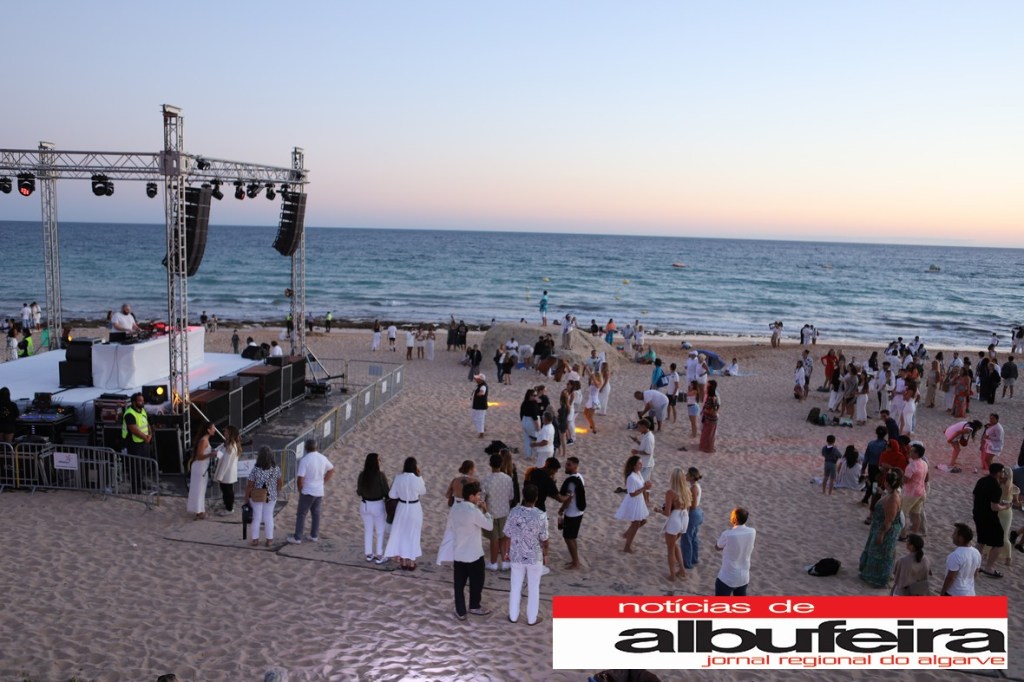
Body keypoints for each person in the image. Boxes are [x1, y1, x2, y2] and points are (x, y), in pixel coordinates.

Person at [439, 481, 494, 621]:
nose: (479, 497)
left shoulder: (455, 509)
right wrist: (486, 511)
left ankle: (460, 611)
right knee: (477, 582)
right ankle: (474, 606)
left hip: (459, 553)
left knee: (459, 584)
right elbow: (489, 526)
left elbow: (450, 527)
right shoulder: (474, 511)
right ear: (471, 497)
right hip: (474, 554)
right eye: (477, 495)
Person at [503, 483, 549, 626]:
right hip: (534, 556)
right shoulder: (541, 515)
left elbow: (507, 535)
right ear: (536, 497)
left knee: (515, 586)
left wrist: (506, 552)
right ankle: (531, 618)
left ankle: (513, 616)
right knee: (533, 588)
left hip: (516, 554)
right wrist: (545, 555)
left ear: (523, 495)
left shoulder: (514, 512)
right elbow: (544, 539)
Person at [858, 468, 904, 588]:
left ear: (887, 482)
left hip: (886, 529)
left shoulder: (893, 498)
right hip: (880, 527)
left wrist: (881, 534)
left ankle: (879, 578)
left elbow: (889, 520)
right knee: (878, 551)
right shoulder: (892, 494)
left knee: (882, 552)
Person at [287, 439, 335, 544]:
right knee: (316, 513)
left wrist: (300, 490)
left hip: (308, 491)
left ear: (306, 448)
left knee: (301, 514)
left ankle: (297, 537)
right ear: (316, 447)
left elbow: (300, 478)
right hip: (319, 490)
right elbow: (331, 470)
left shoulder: (305, 460)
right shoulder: (322, 458)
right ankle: (314, 535)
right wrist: (323, 481)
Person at [384, 456, 426, 570]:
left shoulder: (398, 478)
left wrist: (401, 494)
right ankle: (411, 563)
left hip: (402, 507)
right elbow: (423, 491)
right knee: (413, 534)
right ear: (415, 466)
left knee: (401, 533)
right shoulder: (418, 478)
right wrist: (419, 476)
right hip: (414, 507)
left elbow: (392, 495)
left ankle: (403, 562)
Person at [973, 463, 1010, 579]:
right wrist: (1005, 507)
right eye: (1002, 471)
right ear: (998, 473)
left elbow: (975, 496)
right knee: (998, 541)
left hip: (978, 513)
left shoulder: (982, 480)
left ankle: (974, 566)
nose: (1003, 474)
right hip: (989, 517)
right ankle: (989, 567)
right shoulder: (996, 487)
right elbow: (994, 507)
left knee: (981, 540)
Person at [481, 452, 514, 571]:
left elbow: (482, 500)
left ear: (490, 464)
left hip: (492, 512)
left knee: (494, 539)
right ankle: (505, 562)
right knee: (504, 538)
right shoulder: (508, 479)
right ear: (501, 464)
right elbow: (511, 497)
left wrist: (485, 511)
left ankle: (493, 562)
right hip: (504, 511)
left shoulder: (486, 480)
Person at [244, 446, 283, 547]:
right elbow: (280, 483)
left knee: (256, 517)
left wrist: (246, 497)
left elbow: (249, 485)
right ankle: (269, 540)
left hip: (257, 496)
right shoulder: (276, 469)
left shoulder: (255, 470)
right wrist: (276, 491)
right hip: (271, 496)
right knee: (268, 517)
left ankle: (255, 540)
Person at [356, 452, 390, 564]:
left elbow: (359, 491)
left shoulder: (362, 475)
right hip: (377, 504)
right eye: (379, 460)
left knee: (368, 530)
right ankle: (379, 554)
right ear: (376, 462)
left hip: (365, 504)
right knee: (380, 530)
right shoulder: (380, 475)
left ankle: (369, 554)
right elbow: (386, 491)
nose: (380, 461)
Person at [715, 507, 756, 596]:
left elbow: (717, 547)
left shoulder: (727, 534)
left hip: (727, 578)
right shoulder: (752, 532)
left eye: (731, 515)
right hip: (744, 578)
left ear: (735, 519)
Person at [614, 455, 651, 553]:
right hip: (634, 502)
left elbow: (643, 486)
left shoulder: (638, 473)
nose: (641, 465)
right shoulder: (631, 478)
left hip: (640, 501)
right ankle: (627, 547)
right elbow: (632, 494)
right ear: (634, 465)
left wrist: (646, 499)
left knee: (643, 521)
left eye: (641, 463)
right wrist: (645, 488)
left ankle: (627, 534)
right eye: (639, 463)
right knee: (636, 524)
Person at [662, 467, 692, 581]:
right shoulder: (687, 490)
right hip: (684, 518)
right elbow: (688, 507)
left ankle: (672, 576)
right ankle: (682, 570)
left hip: (675, 518)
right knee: (674, 544)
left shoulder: (670, 492)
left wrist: (659, 510)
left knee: (670, 549)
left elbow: (667, 513)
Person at [120, 391, 152, 494]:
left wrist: (150, 434)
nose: (142, 402)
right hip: (133, 444)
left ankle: (141, 482)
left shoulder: (142, 410)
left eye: (142, 400)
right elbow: (134, 430)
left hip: (143, 442)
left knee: (144, 465)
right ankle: (135, 487)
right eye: (140, 400)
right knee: (135, 466)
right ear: (134, 402)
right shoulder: (129, 413)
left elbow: (147, 424)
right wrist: (146, 437)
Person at [557, 456, 586, 570]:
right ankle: (575, 559)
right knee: (572, 537)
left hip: (572, 513)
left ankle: (576, 562)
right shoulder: (579, 477)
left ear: (575, 466)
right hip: (579, 511)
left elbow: (568, 499)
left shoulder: (571, 482)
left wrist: (561, 509)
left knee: (568, 538)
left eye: (569, 465)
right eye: (566, 464)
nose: (566, 466)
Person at [940, 523, 982, 596]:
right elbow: (975, 573)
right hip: (970, 593)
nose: (952, 536)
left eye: (955, 533)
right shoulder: (976, 552)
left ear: (960, 538)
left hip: (955, 593)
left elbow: (950, 578)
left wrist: (943, 592)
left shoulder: (956, 555)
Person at [186, 421, 215, 520]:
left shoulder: (205, 440)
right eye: (213, 428)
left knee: (201, 489)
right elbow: (199, 456)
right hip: (200, 467)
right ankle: (199, 512)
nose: (214, 430)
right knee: (199, 489)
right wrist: (211, 454)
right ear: (208, 430)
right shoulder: (204, 441)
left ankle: (200, 510)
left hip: (202, 467)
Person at [213, 426, 242, 515]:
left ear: (230, 433)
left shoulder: (231, 446)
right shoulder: (227, 444)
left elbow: (226, 461)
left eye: (226, 432)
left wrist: (220, 475)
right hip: (226, 472)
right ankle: (227, 505)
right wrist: (216, 452)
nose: (224, 433)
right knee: (225, 489)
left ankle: (229, 508)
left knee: (228, 490)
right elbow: (222, 455)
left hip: (227, 472)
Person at [902, 442, 929, 537]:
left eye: (912, 451)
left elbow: (905, 480)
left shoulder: (911, 466)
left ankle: (903, 534)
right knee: (916, 514)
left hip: (911, 493)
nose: (910, 452)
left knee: (902, 513)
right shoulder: (924, 463)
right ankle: (914, 533)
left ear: (916, 454)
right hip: (921, 491)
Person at [680, 467, 703, 569]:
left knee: (686, 538)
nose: (686, 476)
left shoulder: (693, 488)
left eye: (687, 475)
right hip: (698, 512)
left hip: (693, 513)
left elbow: (692, 505)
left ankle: (687, 563)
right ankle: (694, 559)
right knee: (693, 537)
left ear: (692, 477)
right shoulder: (697, 486)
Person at [629, 418, 656, 504]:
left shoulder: (649, 438)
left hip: (646, 464)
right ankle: (646, 501)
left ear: (644, 427)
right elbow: (644, 446)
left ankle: (645, 501)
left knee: (642, 483)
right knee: (646, 482)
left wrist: (636, 452)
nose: (638, 429)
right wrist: (636, 441)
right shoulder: (646, 435)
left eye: (639, 427)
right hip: (645, 463)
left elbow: (648, 452)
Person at [699, 380, 720, 453]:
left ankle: (708, 448)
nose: (706, 388)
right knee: (705, 432)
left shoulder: (713, 397)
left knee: (709, 434)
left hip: (710, 419)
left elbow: (714, 410)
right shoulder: (709, 396)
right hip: (707, 418)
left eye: (707, 386)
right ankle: (704, 447)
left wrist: (705, 411)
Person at [470, 373, 488, 438]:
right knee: (474, 418)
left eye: (477, 378)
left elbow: (482, 392)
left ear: (481, 380)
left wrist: (480, 393)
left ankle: (481, 433)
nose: (476, 379)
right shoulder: (479, 385)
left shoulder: (483, 386)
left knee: (480, 419)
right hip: (476, 405)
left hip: (480, 406)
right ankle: (482, 428)